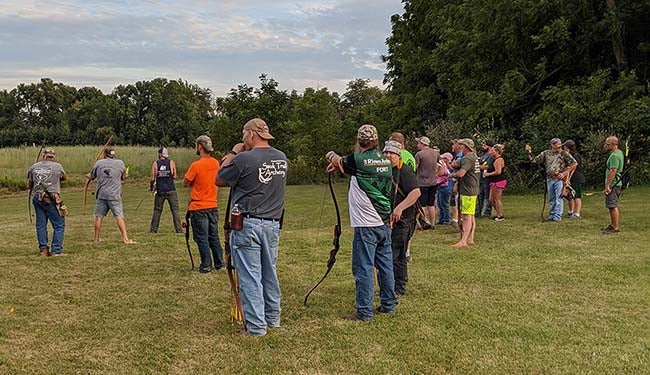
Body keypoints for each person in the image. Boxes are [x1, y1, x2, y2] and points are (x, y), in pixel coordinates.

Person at [216, 118, 288, 336]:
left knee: (250, 276)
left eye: (243, 134)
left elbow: (219, 179)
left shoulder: (244, 158)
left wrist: (233, 152)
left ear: (251, 134)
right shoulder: (281, 158)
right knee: (269, 273)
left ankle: (256, 327)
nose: (242, 138)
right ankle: (272, 317)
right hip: (273, 223)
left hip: (248, 224)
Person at [325, 124, 397, 321]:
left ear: (359, 141)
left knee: (363, 267)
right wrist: (340, 165)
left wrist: (330, 155)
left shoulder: (359, 159)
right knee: (385, 264)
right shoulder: (384, 159)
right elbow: (347, 167)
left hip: (366, 223)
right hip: (383, 221)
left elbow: (338, 159)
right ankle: (389, 304)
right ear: (376, 141)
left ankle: (364, 311)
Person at [383, 140, 420, 296]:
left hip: (404, 219)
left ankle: (398, 287)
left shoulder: (404, 171)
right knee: (390, 253)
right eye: (386, 152)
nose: (388, 155)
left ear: (399, 155)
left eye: (392, 153)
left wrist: (400, 208)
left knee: (397, 254)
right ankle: (391, 285)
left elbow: (416, 192)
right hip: (389, 219)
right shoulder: (384, 170)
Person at [184, 135, 224, 273]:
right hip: (213, 205)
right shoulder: (216, 163)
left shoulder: (196, 165)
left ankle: (206, 264)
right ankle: (219, 263)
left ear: (199, 147)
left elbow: (186, 182)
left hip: (199, 206)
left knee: (201, 237)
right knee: (214, 235)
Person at [88, 147, 135, 244]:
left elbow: (92, 177)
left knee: (98, 216)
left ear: (105, 154)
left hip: (102, 194)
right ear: (113, 155)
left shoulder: (99, 163)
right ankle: (125, 239)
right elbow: (123, 178)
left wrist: (88, 176)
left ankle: (96, 238)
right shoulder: (120, 163)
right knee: (119, 216)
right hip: (115, 195)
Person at [27, 148, 67, 256]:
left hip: (37, 197)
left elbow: (29, 184)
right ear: (53, 157)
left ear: (43, 156)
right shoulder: (57, 166)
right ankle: (56, 250)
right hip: (52, 197)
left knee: (41, 225)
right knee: (59, 225)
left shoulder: (34, 167)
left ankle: (43, 250)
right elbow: (64, 177)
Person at [525, 138, 577, 222]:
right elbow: (534, 160)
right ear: (552, 145)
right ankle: (552, 215)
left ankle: (557, 216)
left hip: (559, 179)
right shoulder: (546, 153)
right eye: (557, 143)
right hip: (549, 178)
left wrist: (564, 173)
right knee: (552, 199)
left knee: (558, 198)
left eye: (560, 143)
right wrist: (529, 152)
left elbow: (574, 163)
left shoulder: (564, 153)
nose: (559, 145)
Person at [449, 138, 480, 248]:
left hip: (468, 190)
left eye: (461, 145)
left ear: (465, 147)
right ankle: (470, 238)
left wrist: (451, 175)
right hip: (473, 189)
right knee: (471, 215)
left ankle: (463, 241)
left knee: (466, 216)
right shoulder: (473, 156)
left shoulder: (468, 158)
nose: (460, 146)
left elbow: (461, 173)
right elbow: (457, 164)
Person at [149, 147, 183, 233]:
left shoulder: (155, 163)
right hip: (171, 189)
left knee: (157, 210)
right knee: (175, 210)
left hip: (160, 191)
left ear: (160, 154)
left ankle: (153, 230)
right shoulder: (171, 162)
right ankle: (179, 229)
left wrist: (151, 186)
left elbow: (152, 178)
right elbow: (174, 176)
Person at [414, 136, 439, 228]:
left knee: (422, 205)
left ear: (422, 144)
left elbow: (415, 167)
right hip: (433, 182)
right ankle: (433, 223)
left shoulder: (419, 154)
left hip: (422, 182)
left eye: (418, 143)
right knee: (431, 204)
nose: (417, 145)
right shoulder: (435, 153)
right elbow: (440, 164)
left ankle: (424, 223)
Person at [602, 136, 624, 234]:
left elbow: (613, 171)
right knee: (611, 205)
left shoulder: (614, 156)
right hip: (615, 183)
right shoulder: (619, 152)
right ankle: (612, 225)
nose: (605, 146)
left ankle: (615, 227)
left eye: (608, 144)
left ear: (614, 144)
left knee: (612, 205)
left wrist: (608, 185)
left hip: (614, 184)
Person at [562, 140, 585, 219]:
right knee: (570, 195)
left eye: (565, 147)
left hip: (576, 178)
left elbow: (572, 168)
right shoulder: (570, 155)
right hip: (571, 178)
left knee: (577, 196)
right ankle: (570, 211)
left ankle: (577, 213)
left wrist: (568, 179)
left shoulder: (575, 156)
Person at [484, 144, 506, 221]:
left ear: (497, 151)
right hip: (493, 181)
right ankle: (498, 213)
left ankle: (500, 215)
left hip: (499, 181)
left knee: (497, 199)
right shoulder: (494, 159)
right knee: (491, 199)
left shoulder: (498, 160)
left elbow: (498, 172)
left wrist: (488, 174)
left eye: (492, 151)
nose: (491, 152)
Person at [476, 141, 494, 218]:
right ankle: (478, 212)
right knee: (479, 196)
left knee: (487, 197)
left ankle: (487, 212)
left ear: (489, 146)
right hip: (481, 178)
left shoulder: (491, 156)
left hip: (487, 179)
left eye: (484, 145)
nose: (482, 147)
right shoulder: (483, 155)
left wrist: (477, 166)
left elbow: (487, 166)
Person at [436, 152, 453, 225]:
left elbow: (442, 173)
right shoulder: (442, 165)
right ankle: (441, 219)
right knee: (439, 203)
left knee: (444, 203)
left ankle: (446, 219)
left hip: (445, 186)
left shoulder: (445, 167)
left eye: (443, 158)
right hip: (440, 186)